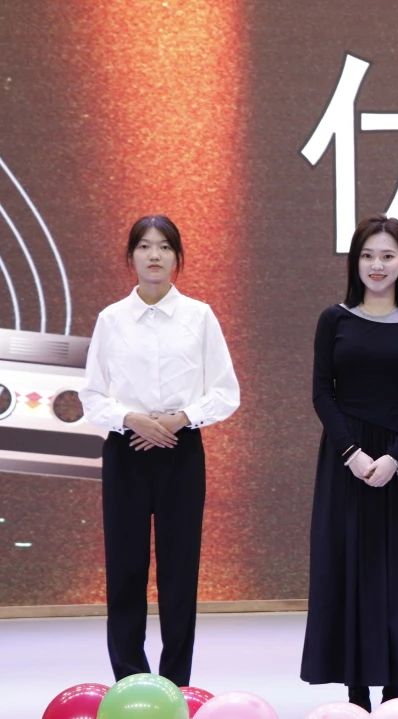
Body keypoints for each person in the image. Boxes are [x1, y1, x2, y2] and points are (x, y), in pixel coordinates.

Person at [300, 215, 398, 710]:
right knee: (349, 565)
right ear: (355, 262)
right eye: (368, 255)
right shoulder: (334, 319)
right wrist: (352, 454)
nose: (377, 265)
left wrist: (392, 458)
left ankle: (396, 689)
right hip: (345, 458)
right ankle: (355, 690)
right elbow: (322, 394)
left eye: (387, 255)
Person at [81, 214, 240, 687]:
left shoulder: (200, 316)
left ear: (177, 257)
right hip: (126, 450)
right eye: (145, 246)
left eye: (165, 247)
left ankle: (176, 682)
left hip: (180, 450)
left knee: (179, 572)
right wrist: (131, 418)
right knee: (125, 570)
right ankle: (130, 679)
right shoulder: (111, 319)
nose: (154, 255)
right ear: (130, 256)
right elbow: (92, 396)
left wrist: (180, 418)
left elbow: (226, 392)